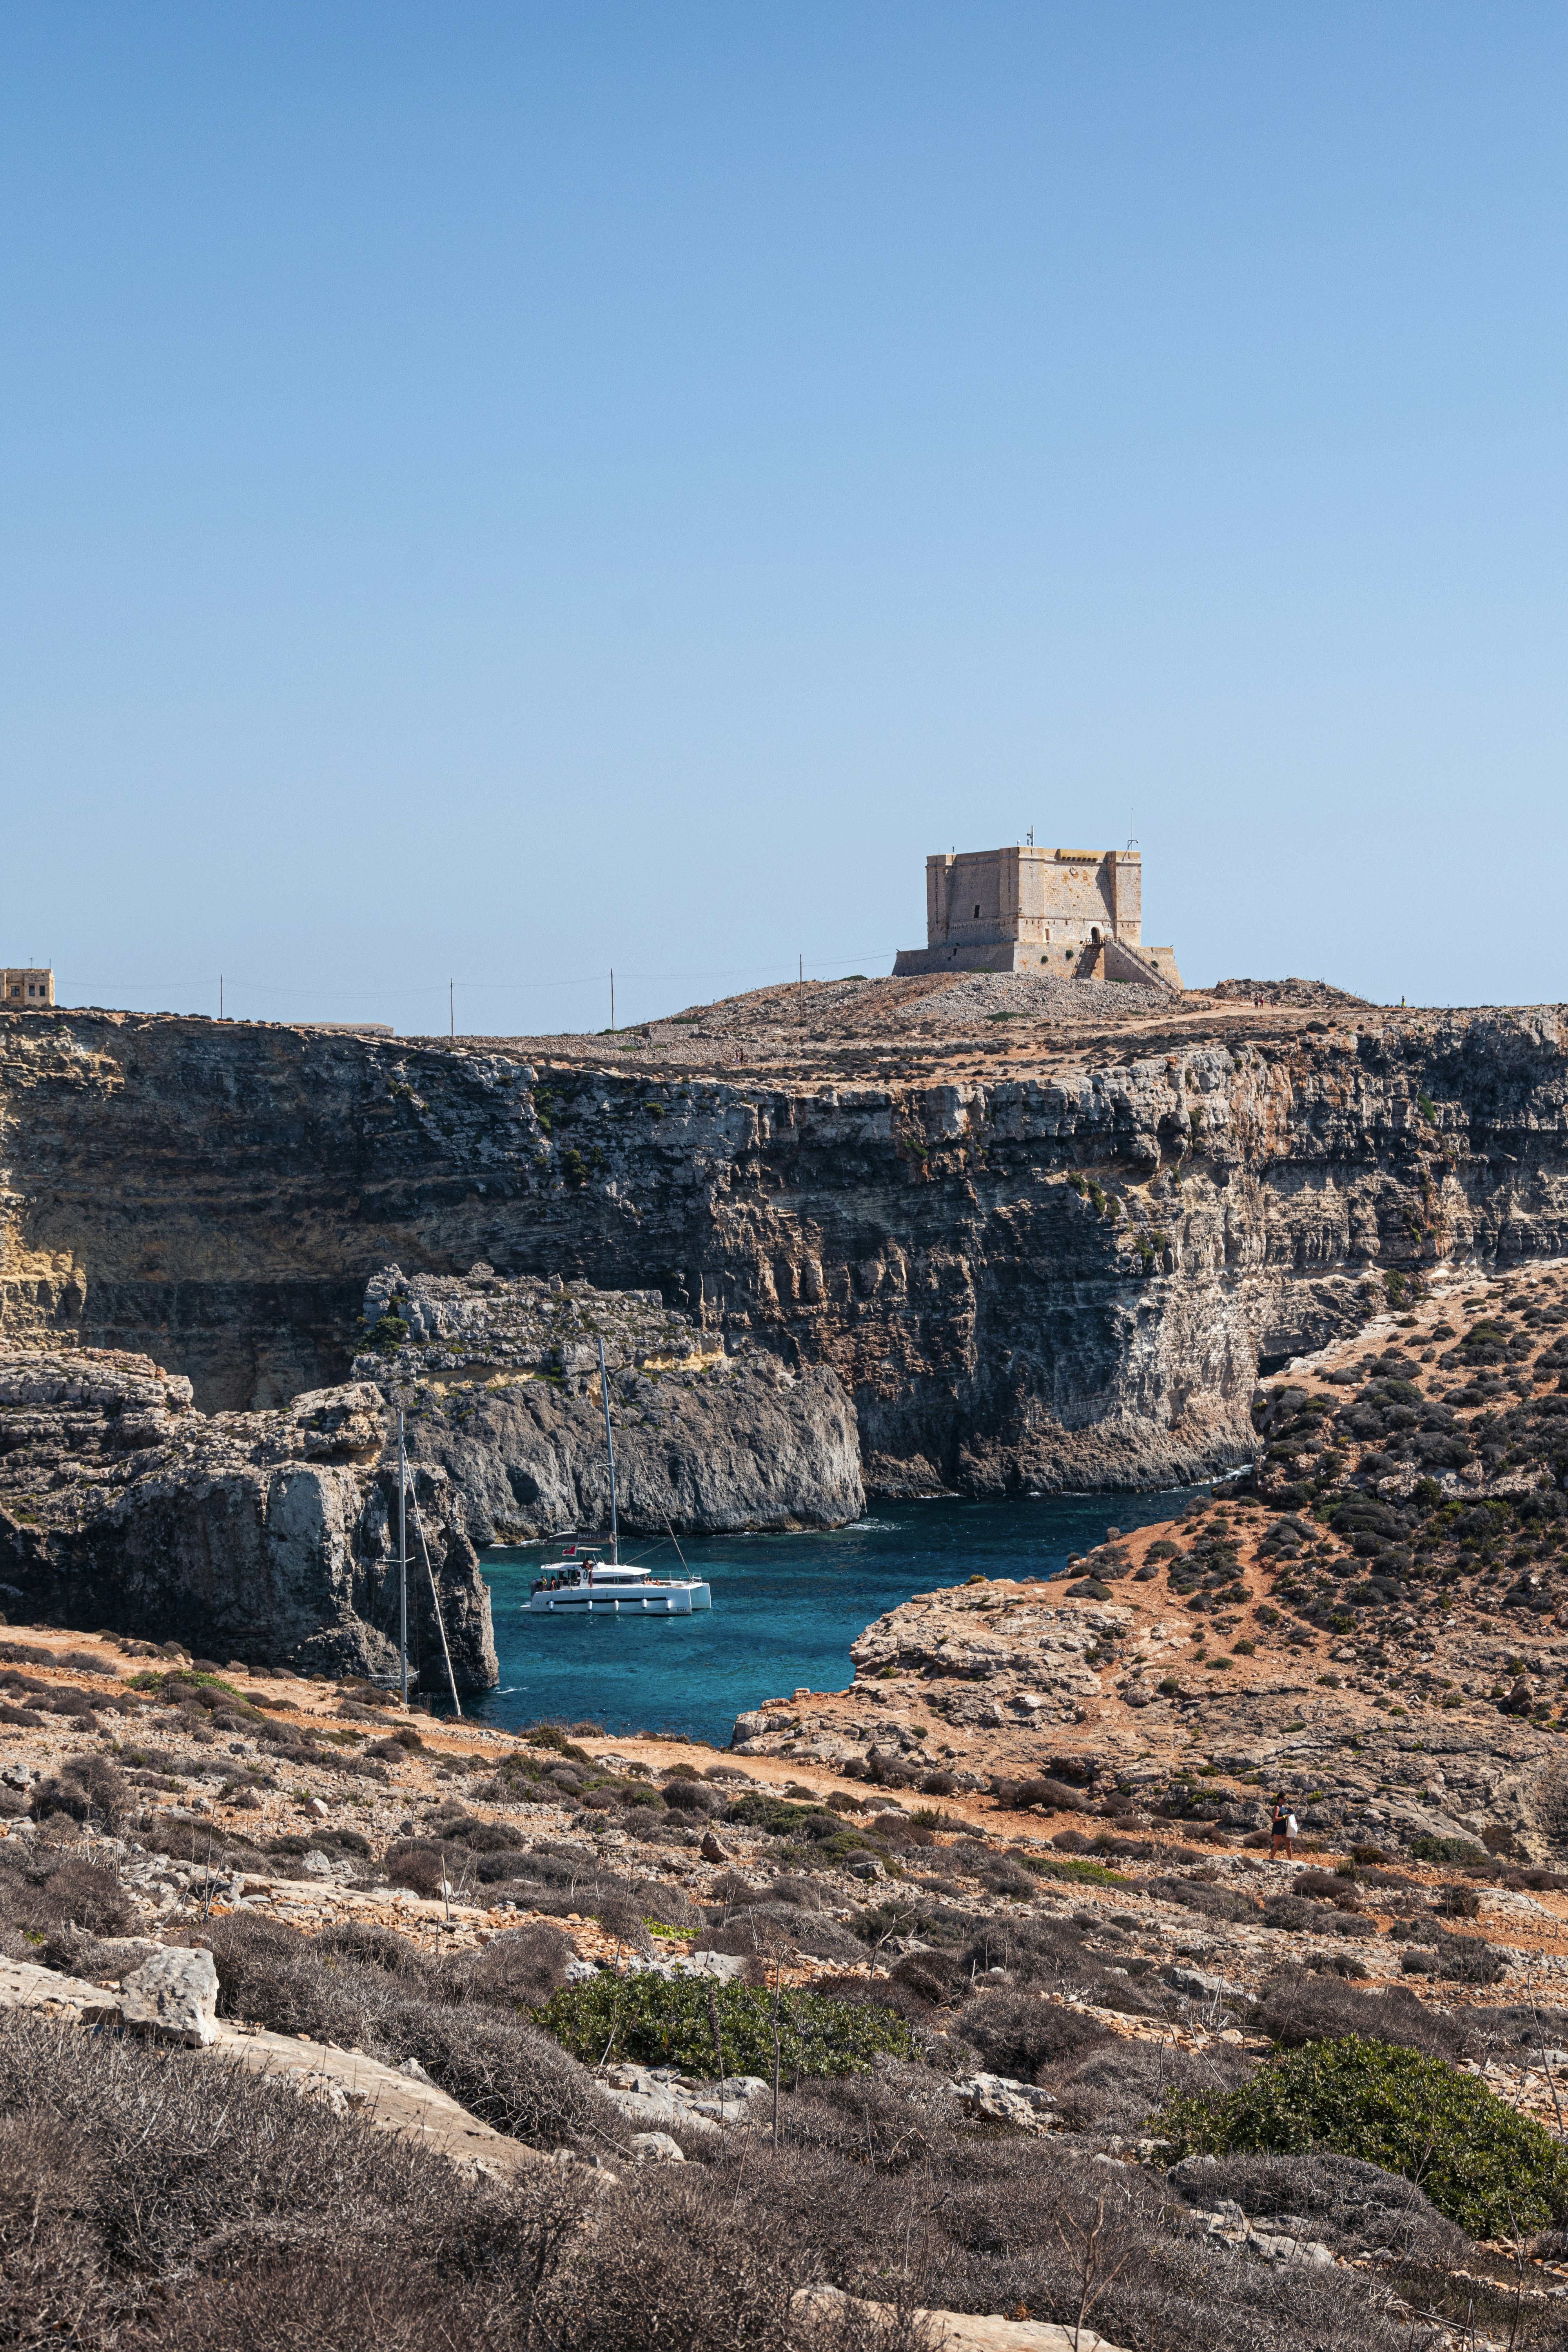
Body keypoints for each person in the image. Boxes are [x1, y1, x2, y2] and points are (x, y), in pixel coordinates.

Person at [1270, 1792, 1295, 1860]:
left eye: (1286, 1799)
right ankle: (1271, 1859)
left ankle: (1290, 1859)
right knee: (1277, 1845)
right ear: (1280, 1799)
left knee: (1288, 1843)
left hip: (1284, 1828)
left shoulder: (1283, 1807)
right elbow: (1275, 1819)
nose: (1286, 1801)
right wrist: (1284, 1817)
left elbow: (1285, 1815)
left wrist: (1290, 1811)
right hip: (1277, 1829)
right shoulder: (1277, 1808)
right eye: (1284, 1800)